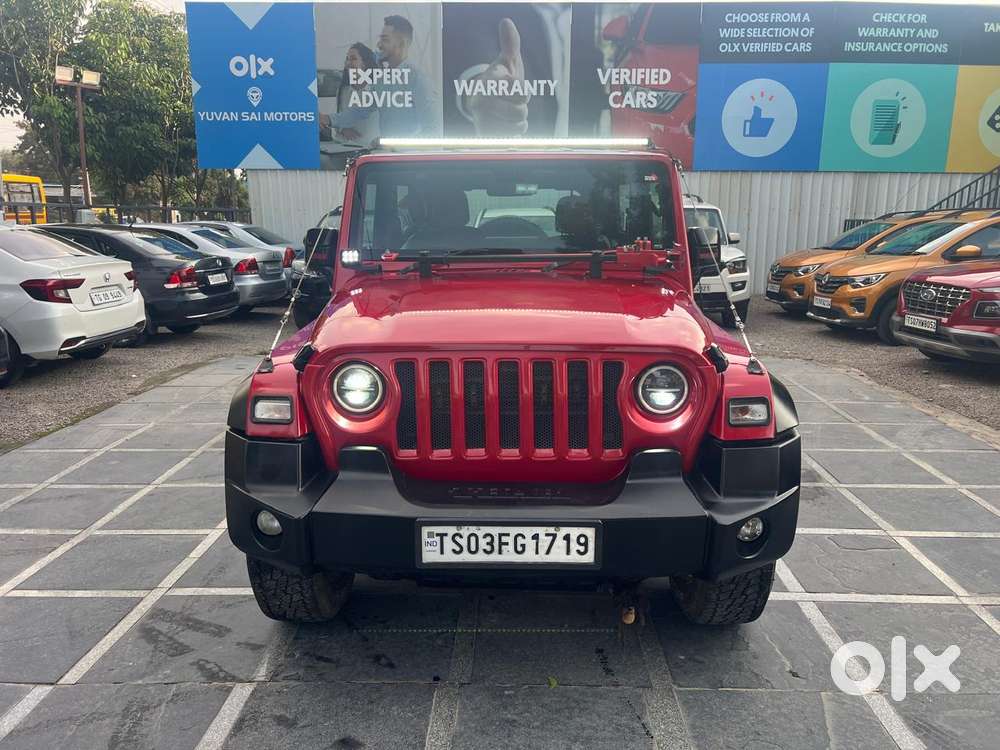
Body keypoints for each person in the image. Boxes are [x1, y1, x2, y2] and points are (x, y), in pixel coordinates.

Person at [330, 15, 439, 140]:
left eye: (385, 40)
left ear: (402, 44)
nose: (379, 45)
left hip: (407, 152)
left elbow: (432, 130)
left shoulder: (418, 79)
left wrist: (392, 143)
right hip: (385, 150)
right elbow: (359, 111)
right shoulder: (381, 80)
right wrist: (329, 119)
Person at [320, 42, 378, 146]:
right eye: (347, 59)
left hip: (369, 148)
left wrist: (328, 119)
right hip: (342, 147)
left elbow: (356, 113)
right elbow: (339, 118)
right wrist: (342, 128)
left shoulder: (376, 90)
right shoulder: (344, 90)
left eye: (353, 59)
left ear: (365, 63)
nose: (348, 62)